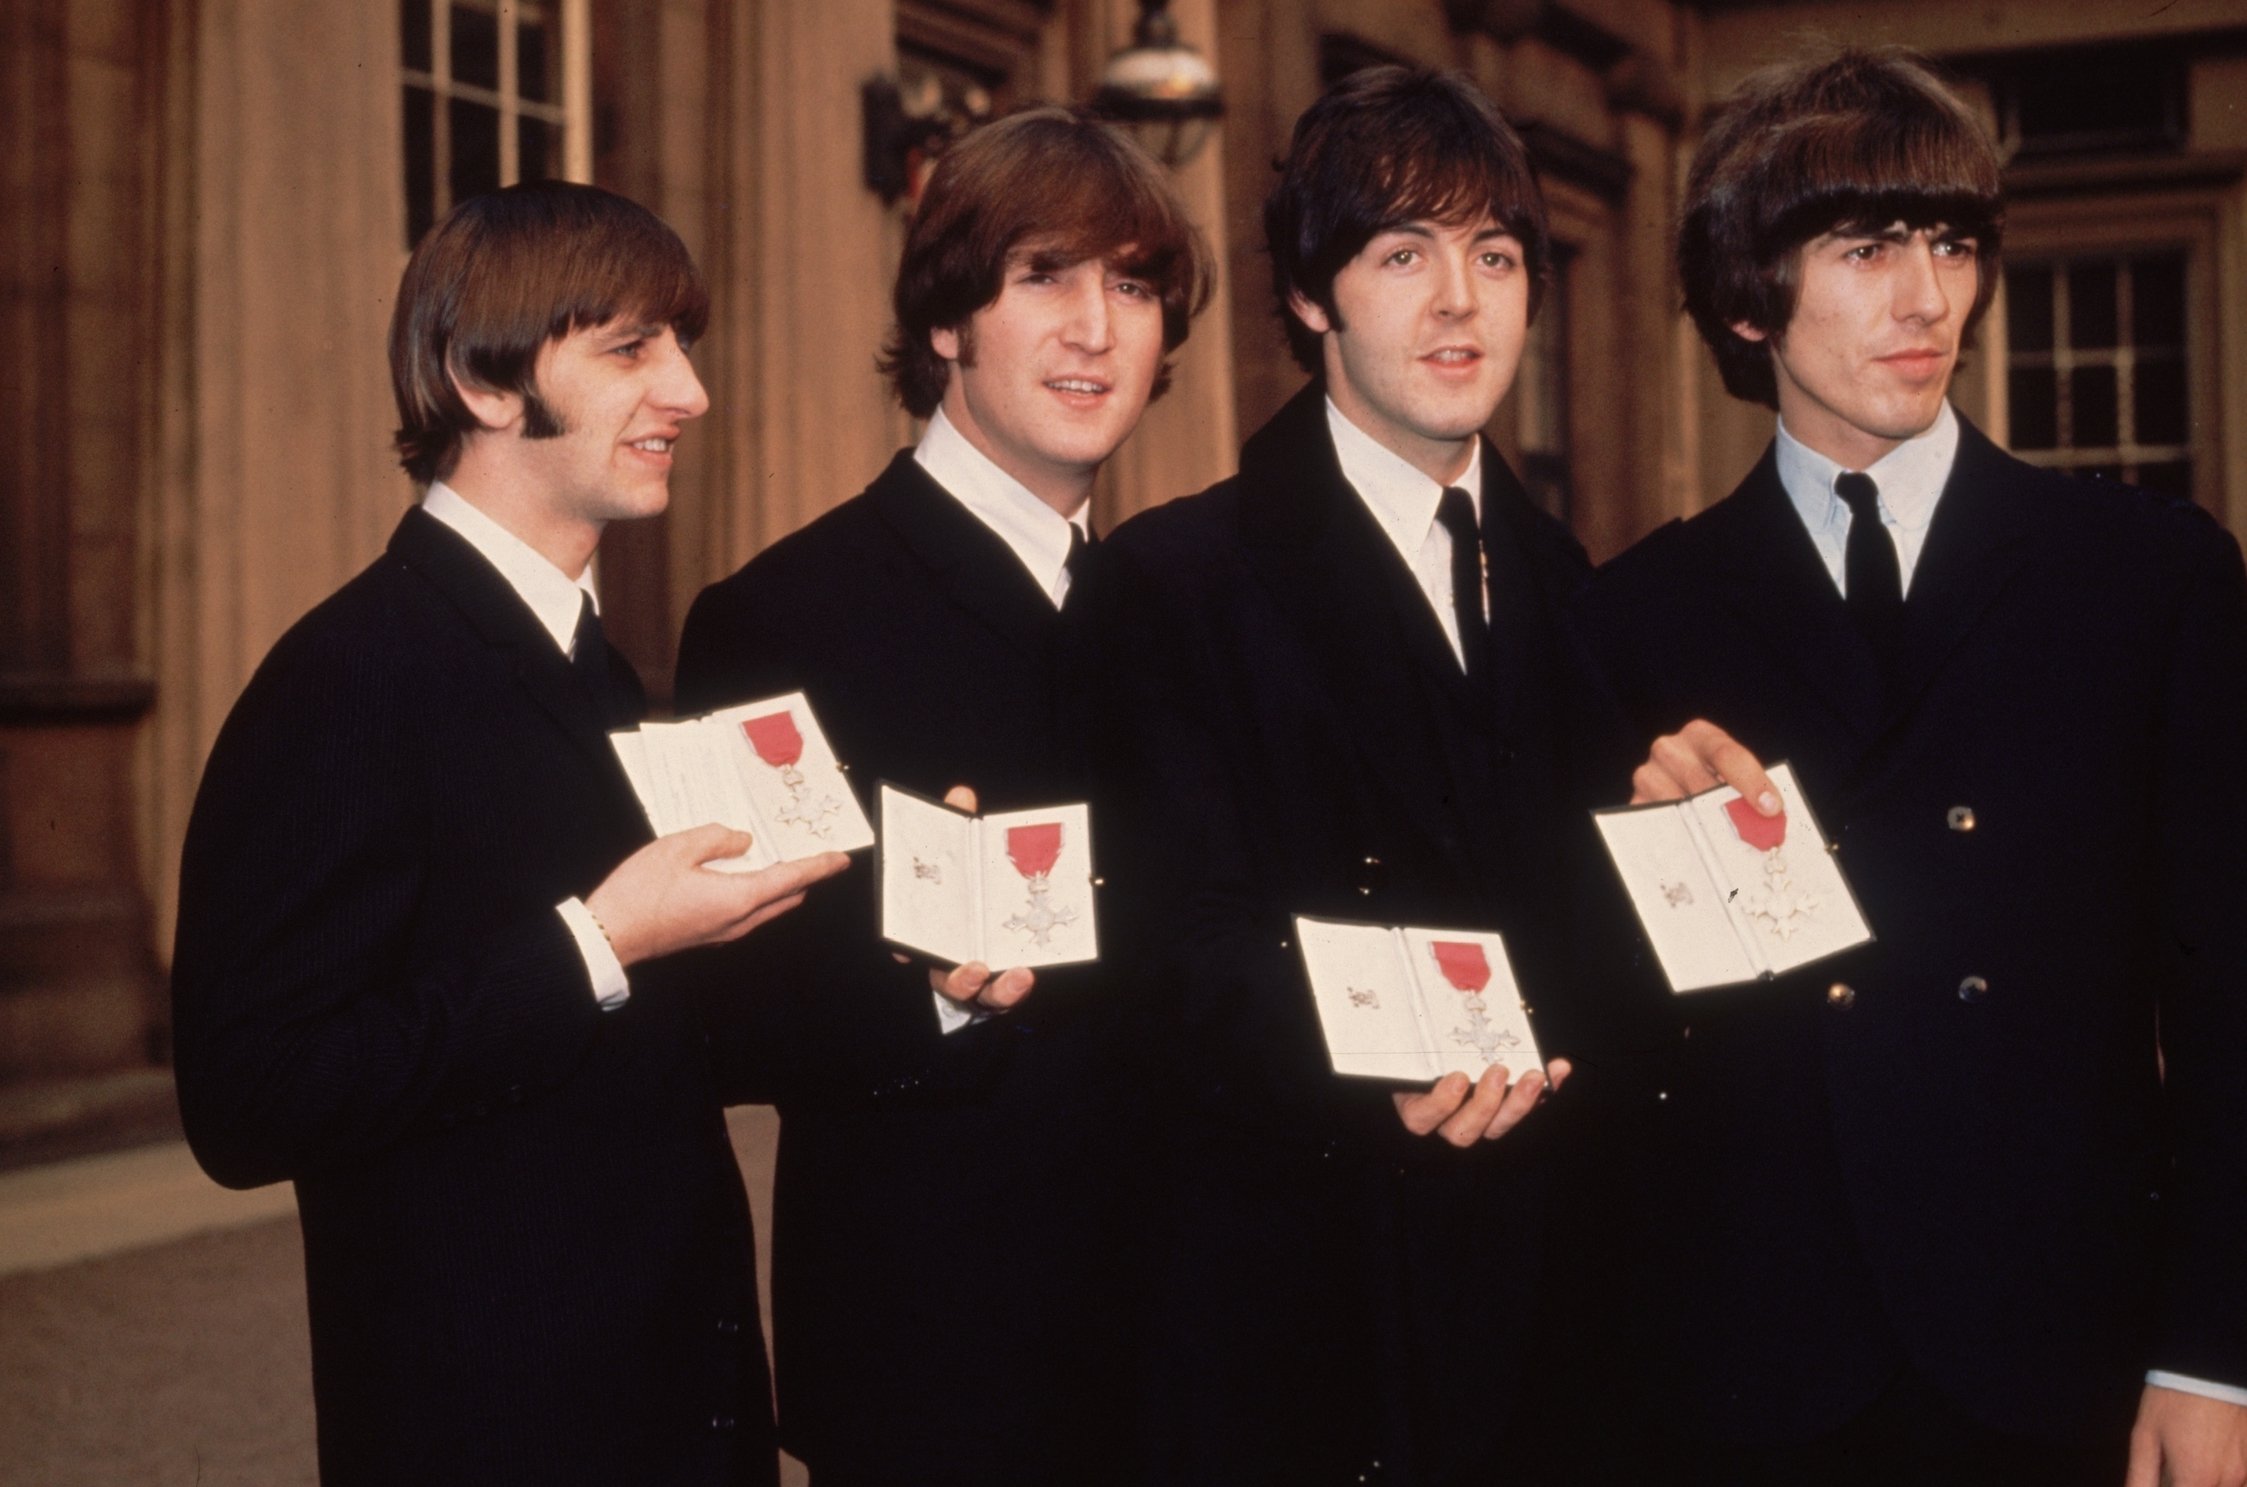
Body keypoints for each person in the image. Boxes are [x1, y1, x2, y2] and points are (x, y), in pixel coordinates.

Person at [1571, 47, 2247, 1486]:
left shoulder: (2144, 578)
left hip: (2064, 1356)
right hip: (1750, 1373)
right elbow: (1621, 1049)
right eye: (1868, 247)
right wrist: (1654, 880)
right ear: (1750, 295)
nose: (1928, 299)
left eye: (1950, 243)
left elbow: (2231, 994)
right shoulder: (1637, 617)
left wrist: (2213, 1352)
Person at [170, 181, 848, 1487]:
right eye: (631, 348)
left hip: (663, 1414)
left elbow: (644, 1050)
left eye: (681, 346)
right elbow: (248, 1101)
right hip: (491, 1433)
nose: (690, 394)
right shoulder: (349, 679)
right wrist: (599, 939)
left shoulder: (590, 666)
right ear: (483, 385)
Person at [673, 107, 1212, 1487]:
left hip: (1196, 1361)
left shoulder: (1196, 615)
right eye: (1047, 275)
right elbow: (721, 1017)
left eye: (1136, 286)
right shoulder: (784, 617)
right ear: (949, 320)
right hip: (941, 1374)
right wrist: (928, 992)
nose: (1098, 328)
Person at [1077, 66, 1600, 1485]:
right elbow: (1169, 947)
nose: (1459, 303)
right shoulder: (1172, 584)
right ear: (1311, 298)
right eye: (1402, 254)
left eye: (1495, 256)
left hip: (1550, 1328)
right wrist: (1399, 1044)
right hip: (1298, 1326)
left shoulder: (1582, 589)